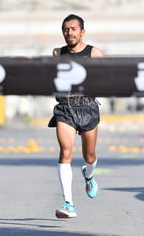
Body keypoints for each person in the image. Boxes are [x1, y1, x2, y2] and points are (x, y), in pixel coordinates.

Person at [48, 14, 104, 218]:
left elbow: (107, 77)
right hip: (65, 108)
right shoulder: (57, 53)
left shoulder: (95, 53)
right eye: (65, 29)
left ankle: (89, 176)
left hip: (88, 108)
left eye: (73, 29)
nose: (69, 32)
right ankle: (68, 204)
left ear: (82, 32)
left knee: (89, 156)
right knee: (66, 150)